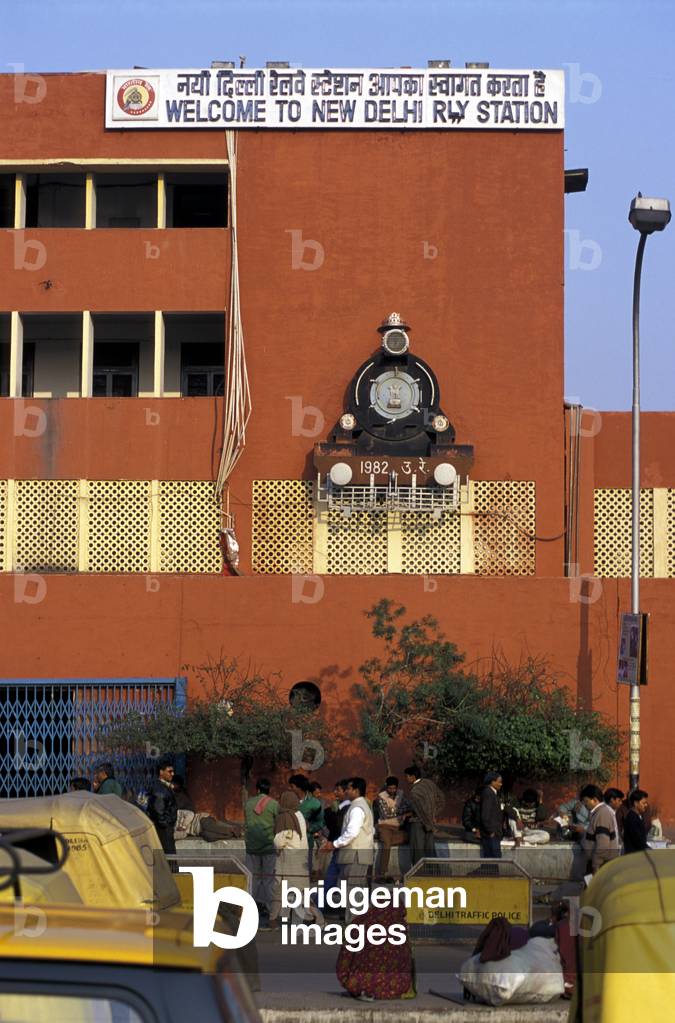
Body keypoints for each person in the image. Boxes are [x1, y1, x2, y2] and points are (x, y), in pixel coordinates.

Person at [321, 777, 374, 920]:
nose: (346, 791)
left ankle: (353, 925)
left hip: (355, 855)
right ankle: (359, 924)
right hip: (356, 854)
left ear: (356, 791)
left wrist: (334, 844)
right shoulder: (359, 805)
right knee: (356, 891)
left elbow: (351, 832)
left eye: (348, 789)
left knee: (353, 892)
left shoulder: (357, 808)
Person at [269, 790, 321, 929]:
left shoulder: (285, 817)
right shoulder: (299, 815)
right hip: (300, 857)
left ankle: (274, 919)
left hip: (287, 859)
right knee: (301, 890)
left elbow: (280, 841)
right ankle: (308, 917)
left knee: (280, 889)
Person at [244, 778, 279, 918]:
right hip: (269, 846)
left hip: (252, 846)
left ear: (257, 789)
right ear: (268, 790)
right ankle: (270, 909)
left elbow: (247, 822)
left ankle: (252, 907)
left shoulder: (248, 803)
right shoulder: (274, 804)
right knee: (268, 879)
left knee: (253, 878)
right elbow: (277, 823)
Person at [404, 765, 444, 865]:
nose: (406, 778)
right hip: (429, 822)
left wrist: (428, 824)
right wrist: (433, 814)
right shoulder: (429, 783)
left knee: (417, 852)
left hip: (419, 823)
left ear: (412, 777)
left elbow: (420, 812)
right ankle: (434, 875)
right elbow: (442, 799)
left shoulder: (414, 791)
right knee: (430, 851)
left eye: (407, 776)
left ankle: (419, 876)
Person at [373, 776, 409, 880]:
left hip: (398, 827)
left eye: (394, 788)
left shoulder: (401, 794)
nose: (392, 791)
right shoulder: (381, 797)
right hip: (385, 826)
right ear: (386, 787)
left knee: (410, 838)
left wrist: (397, 810)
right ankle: (382, 873)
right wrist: (401, 811)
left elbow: (408, 806)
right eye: (390, 788)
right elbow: (386, 814)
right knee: (387, 844)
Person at [289, 774, 324, 874]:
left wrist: (310, 828)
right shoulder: (288, 801)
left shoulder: (315, 804)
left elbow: (320, 822)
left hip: (306, 842)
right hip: (289, 843)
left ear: (299, 787)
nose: (290, 789)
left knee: (303, 873)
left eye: (292, 787)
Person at [580, 783, 619, 874]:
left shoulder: (602, 814)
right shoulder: (598, 812)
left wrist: (596, 865)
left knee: (595, 887)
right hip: (598, 862)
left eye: (586, 801)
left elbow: (603, 843)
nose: (585, 805)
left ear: (594, 800)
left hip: (601, 864)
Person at [322, 779, 350, 892]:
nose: (335, 793)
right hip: (338, 846)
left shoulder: (347, 808)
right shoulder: (339, 807)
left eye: (338, 790)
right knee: (332, 876)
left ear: (346, 792)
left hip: (343, 847)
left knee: (333, 876)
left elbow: (338, 828)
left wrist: (330, 813)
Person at [146, 759, 178, 856]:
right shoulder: (159, 789)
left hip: (166, 828)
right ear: (161, 772)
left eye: (173, 771)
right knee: (169, 855)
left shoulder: (164, 787)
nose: (172, 774)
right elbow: (159, 811)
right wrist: (166, 825)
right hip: (163, 829)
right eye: (169, 771)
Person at [479, 772, 503, 859]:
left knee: (492, 859)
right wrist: (490, 831)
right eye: (499, 782)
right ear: (492, 782)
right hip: (491, 833)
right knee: (493, 858)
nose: (501, 784)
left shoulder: (492, 793)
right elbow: (485, 814)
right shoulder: (488, 793)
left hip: (494, 832)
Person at [623, 789, 649, 854]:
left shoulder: (638, 816)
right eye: (643, 803)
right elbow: (638, 841)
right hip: (634, 855)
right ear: (636, 803)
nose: (646, 805)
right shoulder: (632, 818)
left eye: (646, 803)